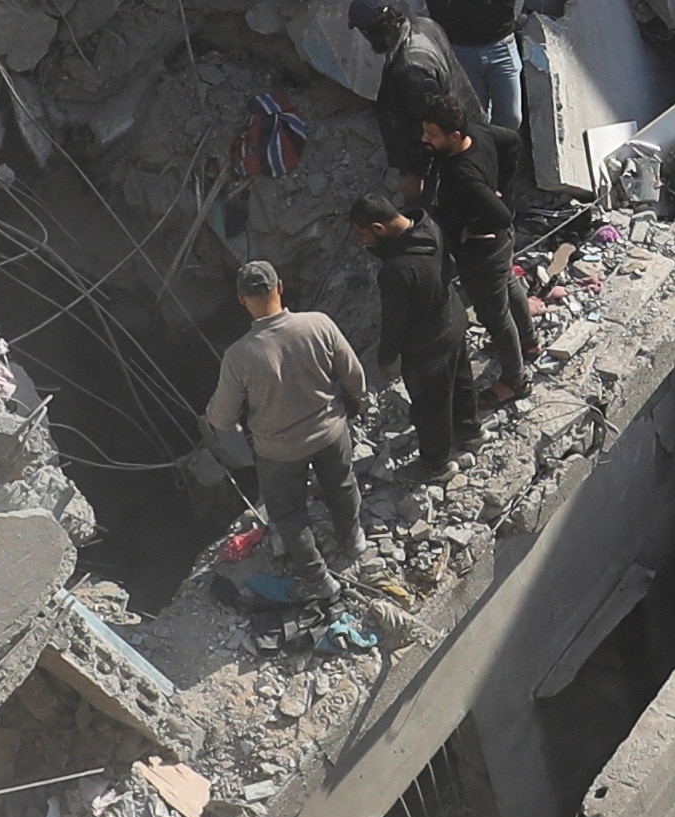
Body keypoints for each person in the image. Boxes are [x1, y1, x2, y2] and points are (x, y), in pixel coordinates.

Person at [203, 258, 367, 584]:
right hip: (330, 433)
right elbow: (355, 377)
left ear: (241, 299)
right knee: (342, 485)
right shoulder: (318, 324)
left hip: (279, 452)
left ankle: (318, 578)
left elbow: (222, 418)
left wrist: (236, 446)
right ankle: (353, 541)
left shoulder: (238, 357)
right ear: (280, 287)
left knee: (289, 513)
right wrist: (353, 402)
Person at [420, 118, 537, 405]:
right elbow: (511, 140)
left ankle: (515, 380)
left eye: (432, 132)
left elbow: (501, 216)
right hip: (501, 245)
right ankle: (529, 342)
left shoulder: (463, 175)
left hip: (483, 252)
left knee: (495, 316)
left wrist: (469, 228)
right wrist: (504, 190)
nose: (425, 138)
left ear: (454, 135)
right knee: (508, 282)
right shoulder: (478, 131)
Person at [353, 196, 470, 476]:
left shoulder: (396, 271)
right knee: (461, 383)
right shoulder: (429, 226)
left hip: (428, 346)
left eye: (363, 235)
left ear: (379, 228)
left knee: (430, 407)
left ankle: (436, 464)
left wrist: (386, 357)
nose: (362, 242)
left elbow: (394, 322)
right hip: (453, 321)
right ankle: (470, 430)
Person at [346, 0, 477, 176]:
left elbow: (429, 127)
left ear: (368, 32)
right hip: (465, 126)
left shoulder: (410, 70)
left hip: (452, 155)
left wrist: (415, 174)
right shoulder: (425, 25)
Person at [420, 0, 526, 138]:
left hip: (500, 46)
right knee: (472, 118)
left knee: (511, 117)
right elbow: (439, 13)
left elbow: (503, 13)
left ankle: (502, 152)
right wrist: (482, 6)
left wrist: (456, 5)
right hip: (460, 51)